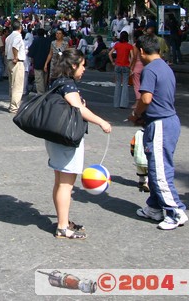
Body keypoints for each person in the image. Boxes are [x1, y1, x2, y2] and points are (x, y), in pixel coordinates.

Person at [46, 49, 112, 239]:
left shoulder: (57, 81)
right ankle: (62, 227)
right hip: (66, 139)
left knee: (60, 181)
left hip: (56, 137)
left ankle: (63, 220)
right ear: (73, 65)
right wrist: (102, 122)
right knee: (66, 184)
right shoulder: (68, 85)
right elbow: (78, 108)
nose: (84, 69)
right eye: (82, 65)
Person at [129, 34, 187, 230]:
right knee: (154, 166)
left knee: (160, 171)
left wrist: (136, 114)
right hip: (166, 121)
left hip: (161, 123)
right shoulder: (165, 67)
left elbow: (145, 99)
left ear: (142, 51)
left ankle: (175, 210)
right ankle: (154, 206)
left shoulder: (150, 69)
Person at [4, 20, 27, 114]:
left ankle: (12, 104)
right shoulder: (18, 36)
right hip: (16, 62)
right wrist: (16, 57)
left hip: (9, 60)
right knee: (17, 85)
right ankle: (14, 107)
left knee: (12, 84)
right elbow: (15, 47)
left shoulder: (8, 37)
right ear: (20, 28)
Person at [109, 31, 135, 109]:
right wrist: (130, 65)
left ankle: (116, 103)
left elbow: (110, 53)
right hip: (126, 65)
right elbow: (132, 57)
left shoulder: (117, 45)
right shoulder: (129, 46)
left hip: (118, 65)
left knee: (118, 83)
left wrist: (113, 62)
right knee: (125, 84)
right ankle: (123, 104)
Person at [28, 28, 51, 94]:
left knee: (39, 79)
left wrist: (32, 61)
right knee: (45, 79)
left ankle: (41, 93)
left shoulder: (35, 41)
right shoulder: (48, 41)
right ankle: (45, 92)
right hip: (47, 63)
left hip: (37, 63)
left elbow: (31, 53)